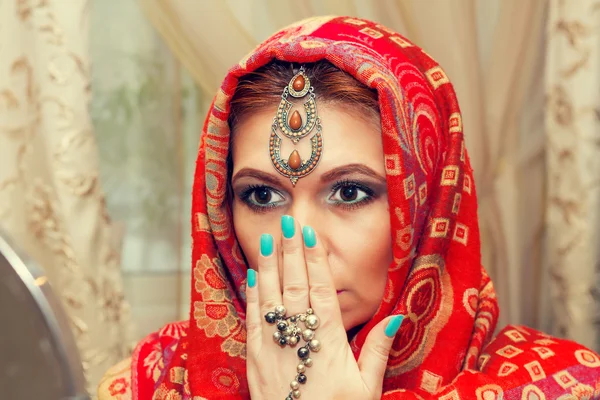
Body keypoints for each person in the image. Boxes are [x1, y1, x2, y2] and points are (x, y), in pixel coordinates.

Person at [98, 16, 600, 400]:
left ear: (426, 208)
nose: (296, 238)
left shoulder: (563, 384)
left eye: (350, 193)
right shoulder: (157, 378)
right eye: (262, 196)